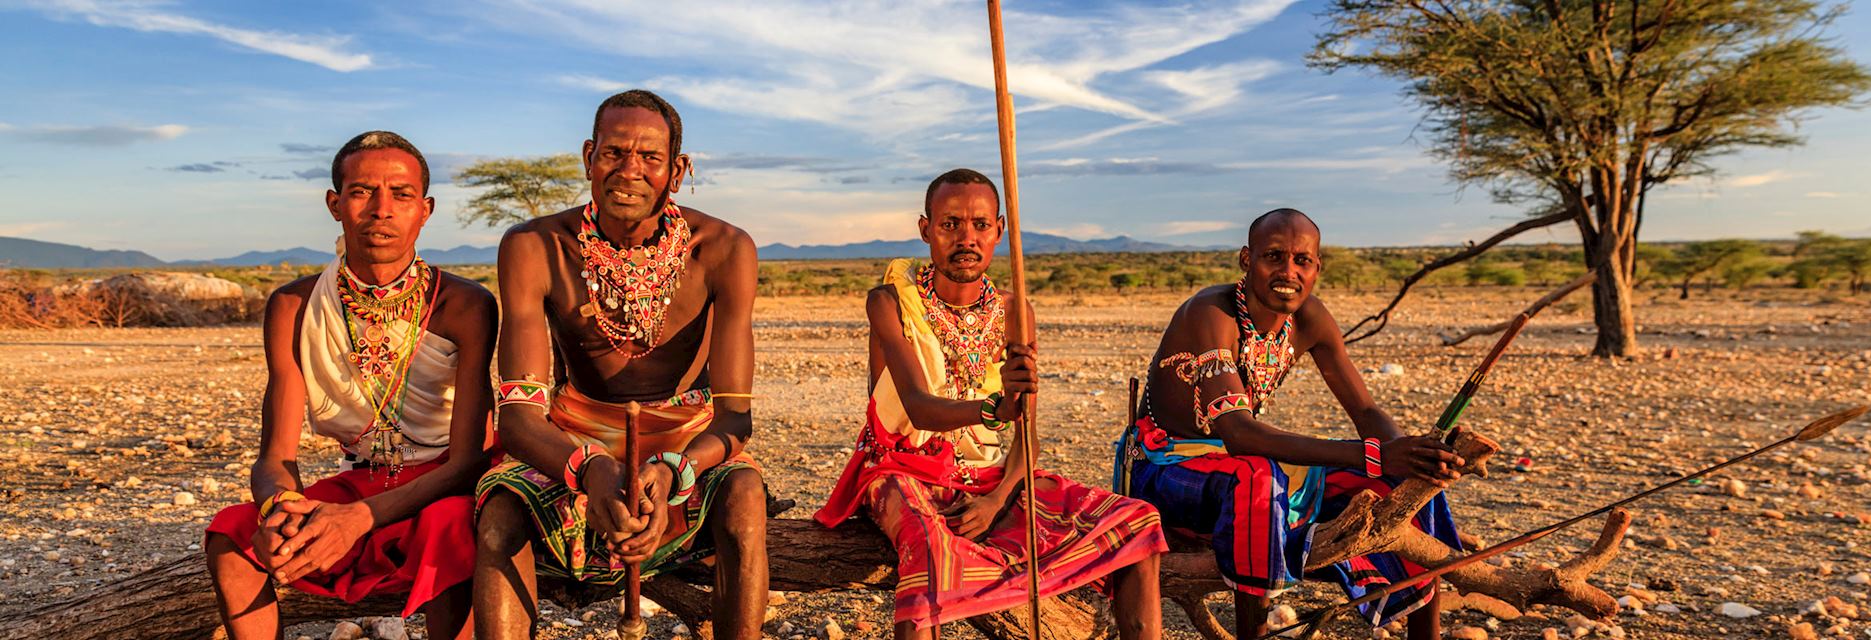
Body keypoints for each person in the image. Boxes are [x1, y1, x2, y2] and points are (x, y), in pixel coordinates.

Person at [817, 169, 1168, 639]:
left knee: (1136, 522)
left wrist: (999, 500)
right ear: (926, 230)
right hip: (899, 469)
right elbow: (920, 409)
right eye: (950, 225)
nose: (967, 238)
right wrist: (994, 410)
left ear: (1000, 231)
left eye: (980, 225)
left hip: (987, 476)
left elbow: (1028, 437)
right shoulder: (890, 302)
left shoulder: (1014, 312)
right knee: (932, 553)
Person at [472, 89, 767, 639]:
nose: (629, 171)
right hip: (572, 437)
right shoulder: (536, 247)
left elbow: (734, 419)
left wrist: (674, 472)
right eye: (613, 154)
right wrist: (591, 468)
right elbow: (517, 418)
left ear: (677, 171)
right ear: (589, 157)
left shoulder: (725, 249)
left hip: (687, 440)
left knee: (745, 498)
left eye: (650, 158)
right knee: (500, 517)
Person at [1116, 208, 1467, 639]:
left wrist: (1414, 454)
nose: (1288, 271)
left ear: (1318, 267)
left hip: (1228, 460)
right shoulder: (1210, 312)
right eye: (1274, 256)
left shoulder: (1310, 319)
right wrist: (1378, 456)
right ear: (1247, 260)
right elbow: (1239, 434)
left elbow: (1366, 413)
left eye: (1302, 260)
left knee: (1411, 483)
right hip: (1163, 465)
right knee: (1258, 477)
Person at [205, 131, 497, 640]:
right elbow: (275, 457)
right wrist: (281, 510)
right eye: (362, 192)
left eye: (401, 195)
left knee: (452, 526)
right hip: (360, 478)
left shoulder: (465, 304)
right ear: (334, 204)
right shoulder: (294, 306)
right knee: (233, 533)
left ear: (425, 210)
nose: (381, 210)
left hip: (444, 486)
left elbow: (469, 460)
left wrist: (356, 520)